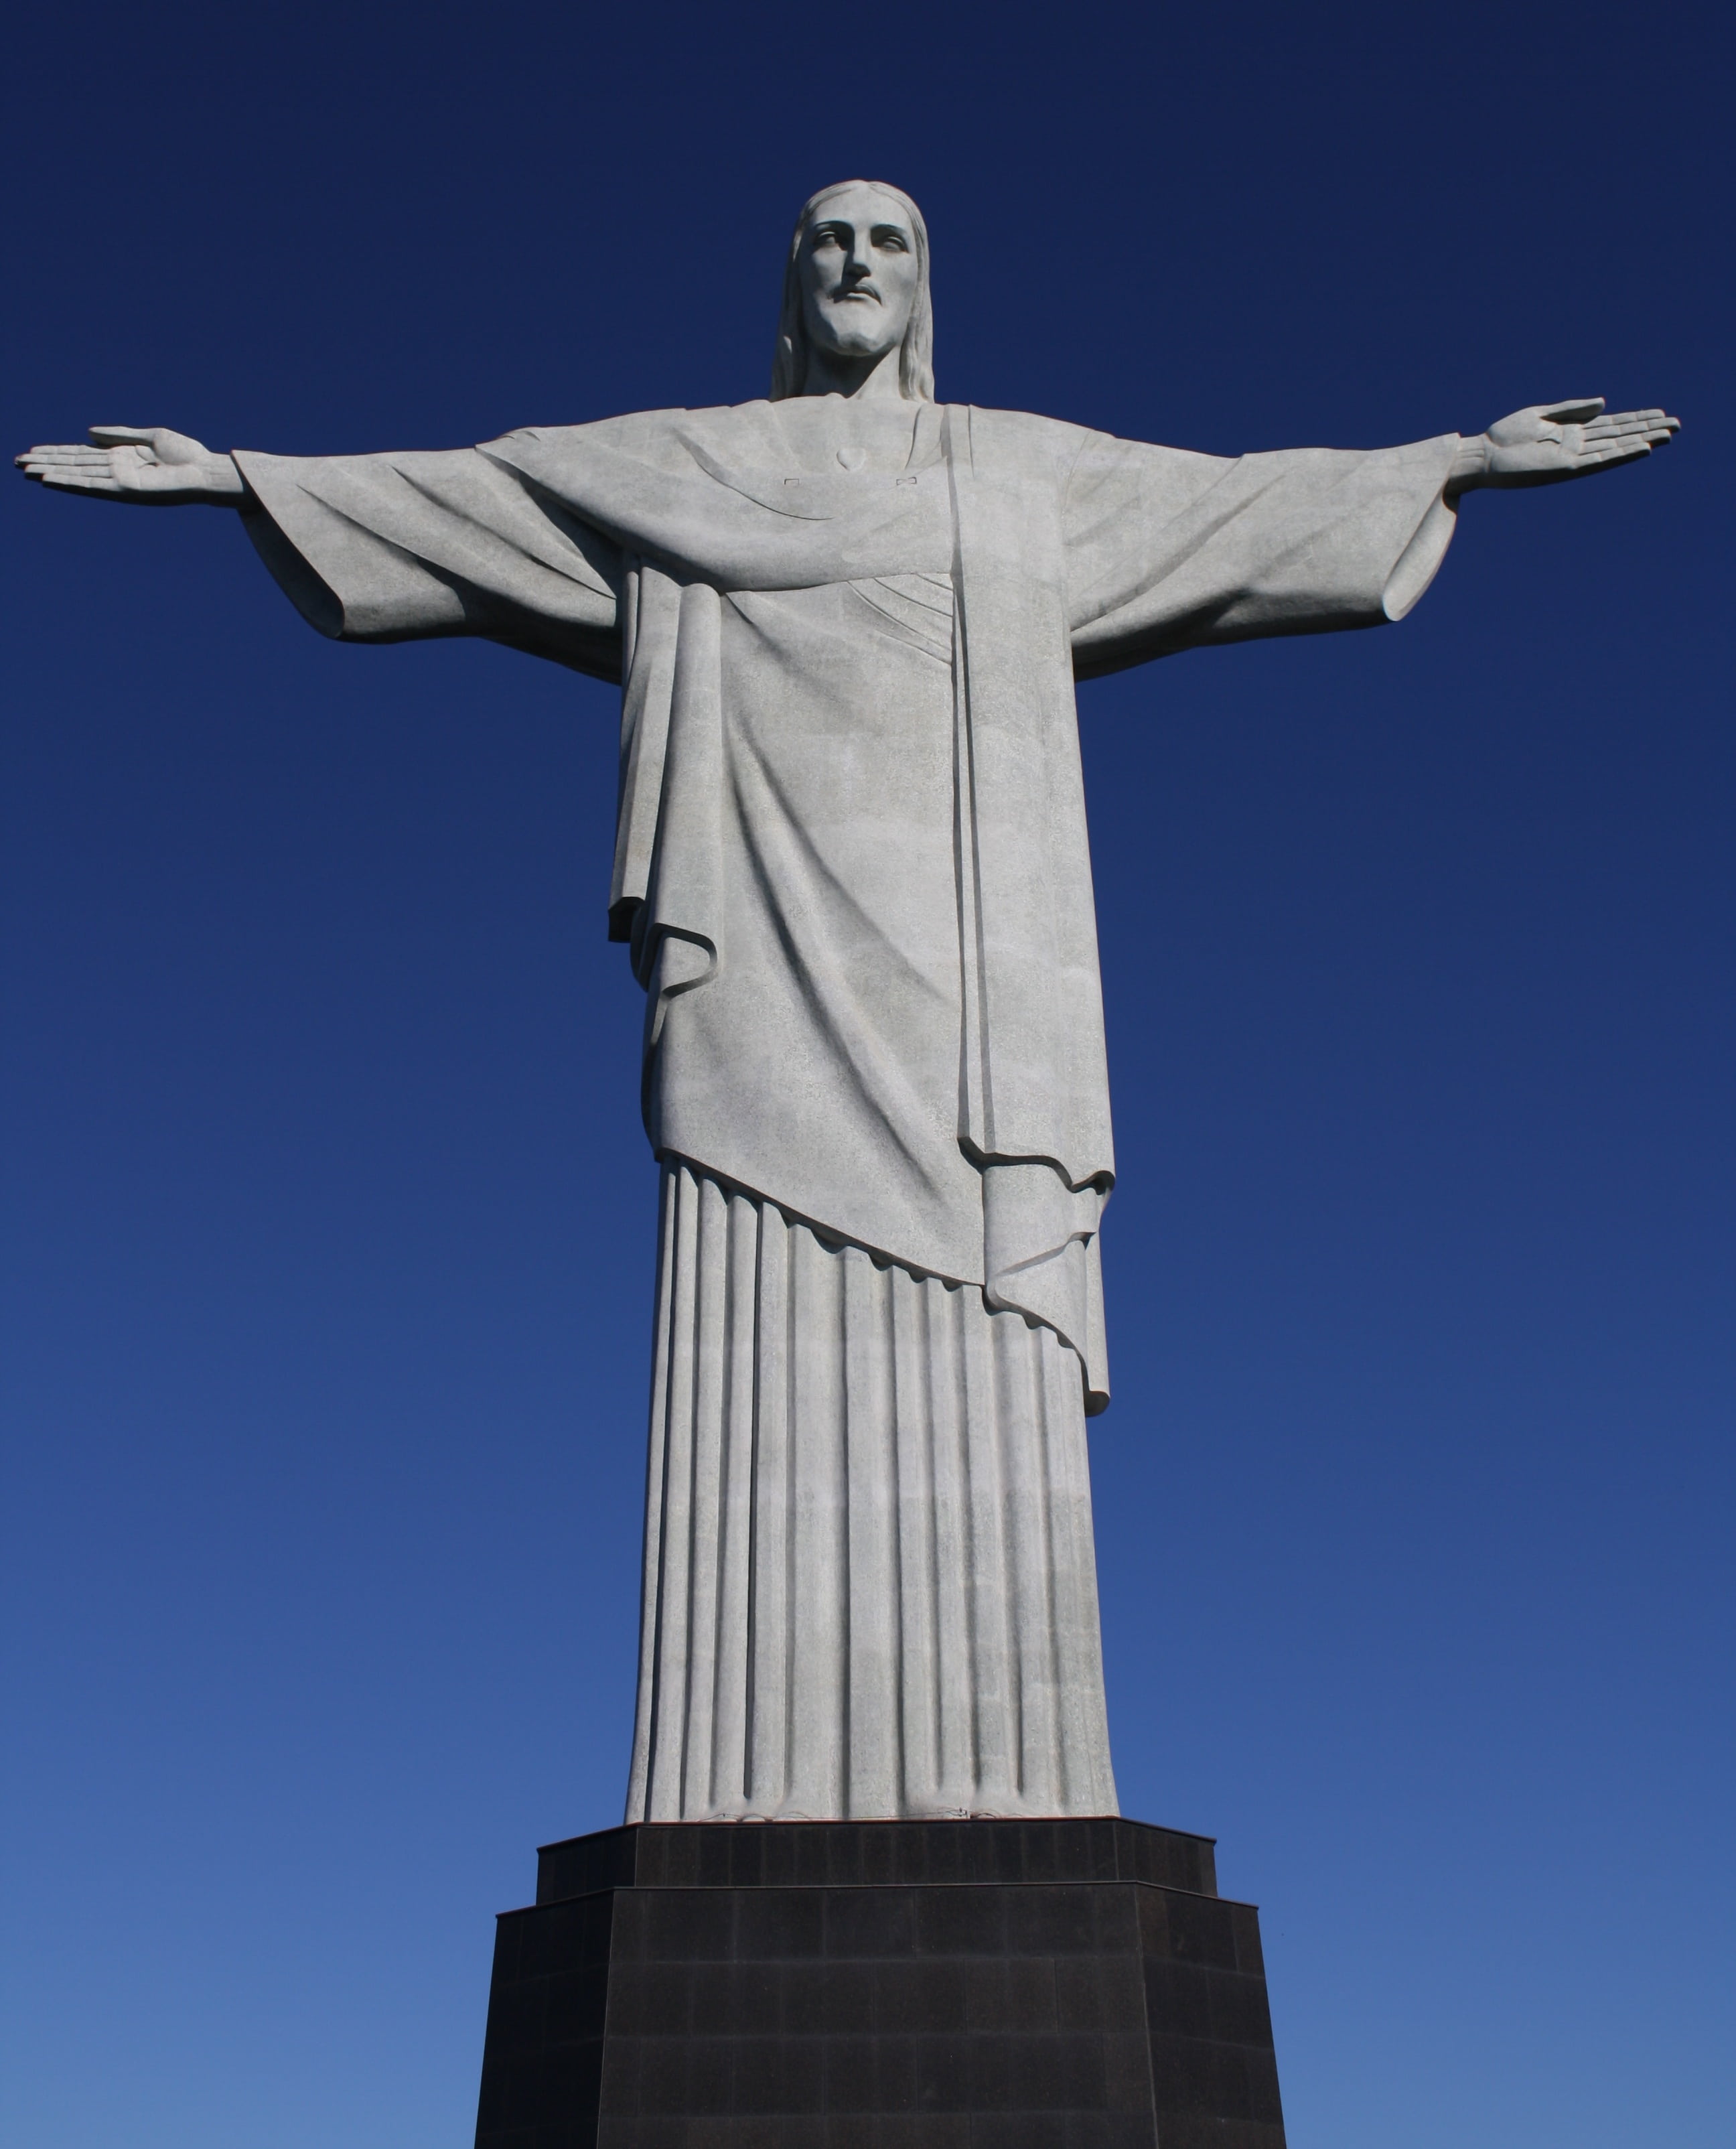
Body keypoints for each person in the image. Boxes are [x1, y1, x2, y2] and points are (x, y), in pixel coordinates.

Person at [17, 180, 1678, 1826]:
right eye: (830, 237)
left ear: (927, 282)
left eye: (892, 240)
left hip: (974, 993)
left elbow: (1235, 510)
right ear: (792, 277)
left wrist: (1452, 455)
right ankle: (737, 1777)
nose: (859, 262)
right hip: (758, 960)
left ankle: (1016, 1783)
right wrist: (245, 477)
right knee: (755, 1301)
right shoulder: (683, 467)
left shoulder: (1020, 471)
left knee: (981, 1320)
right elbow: (478, 498)